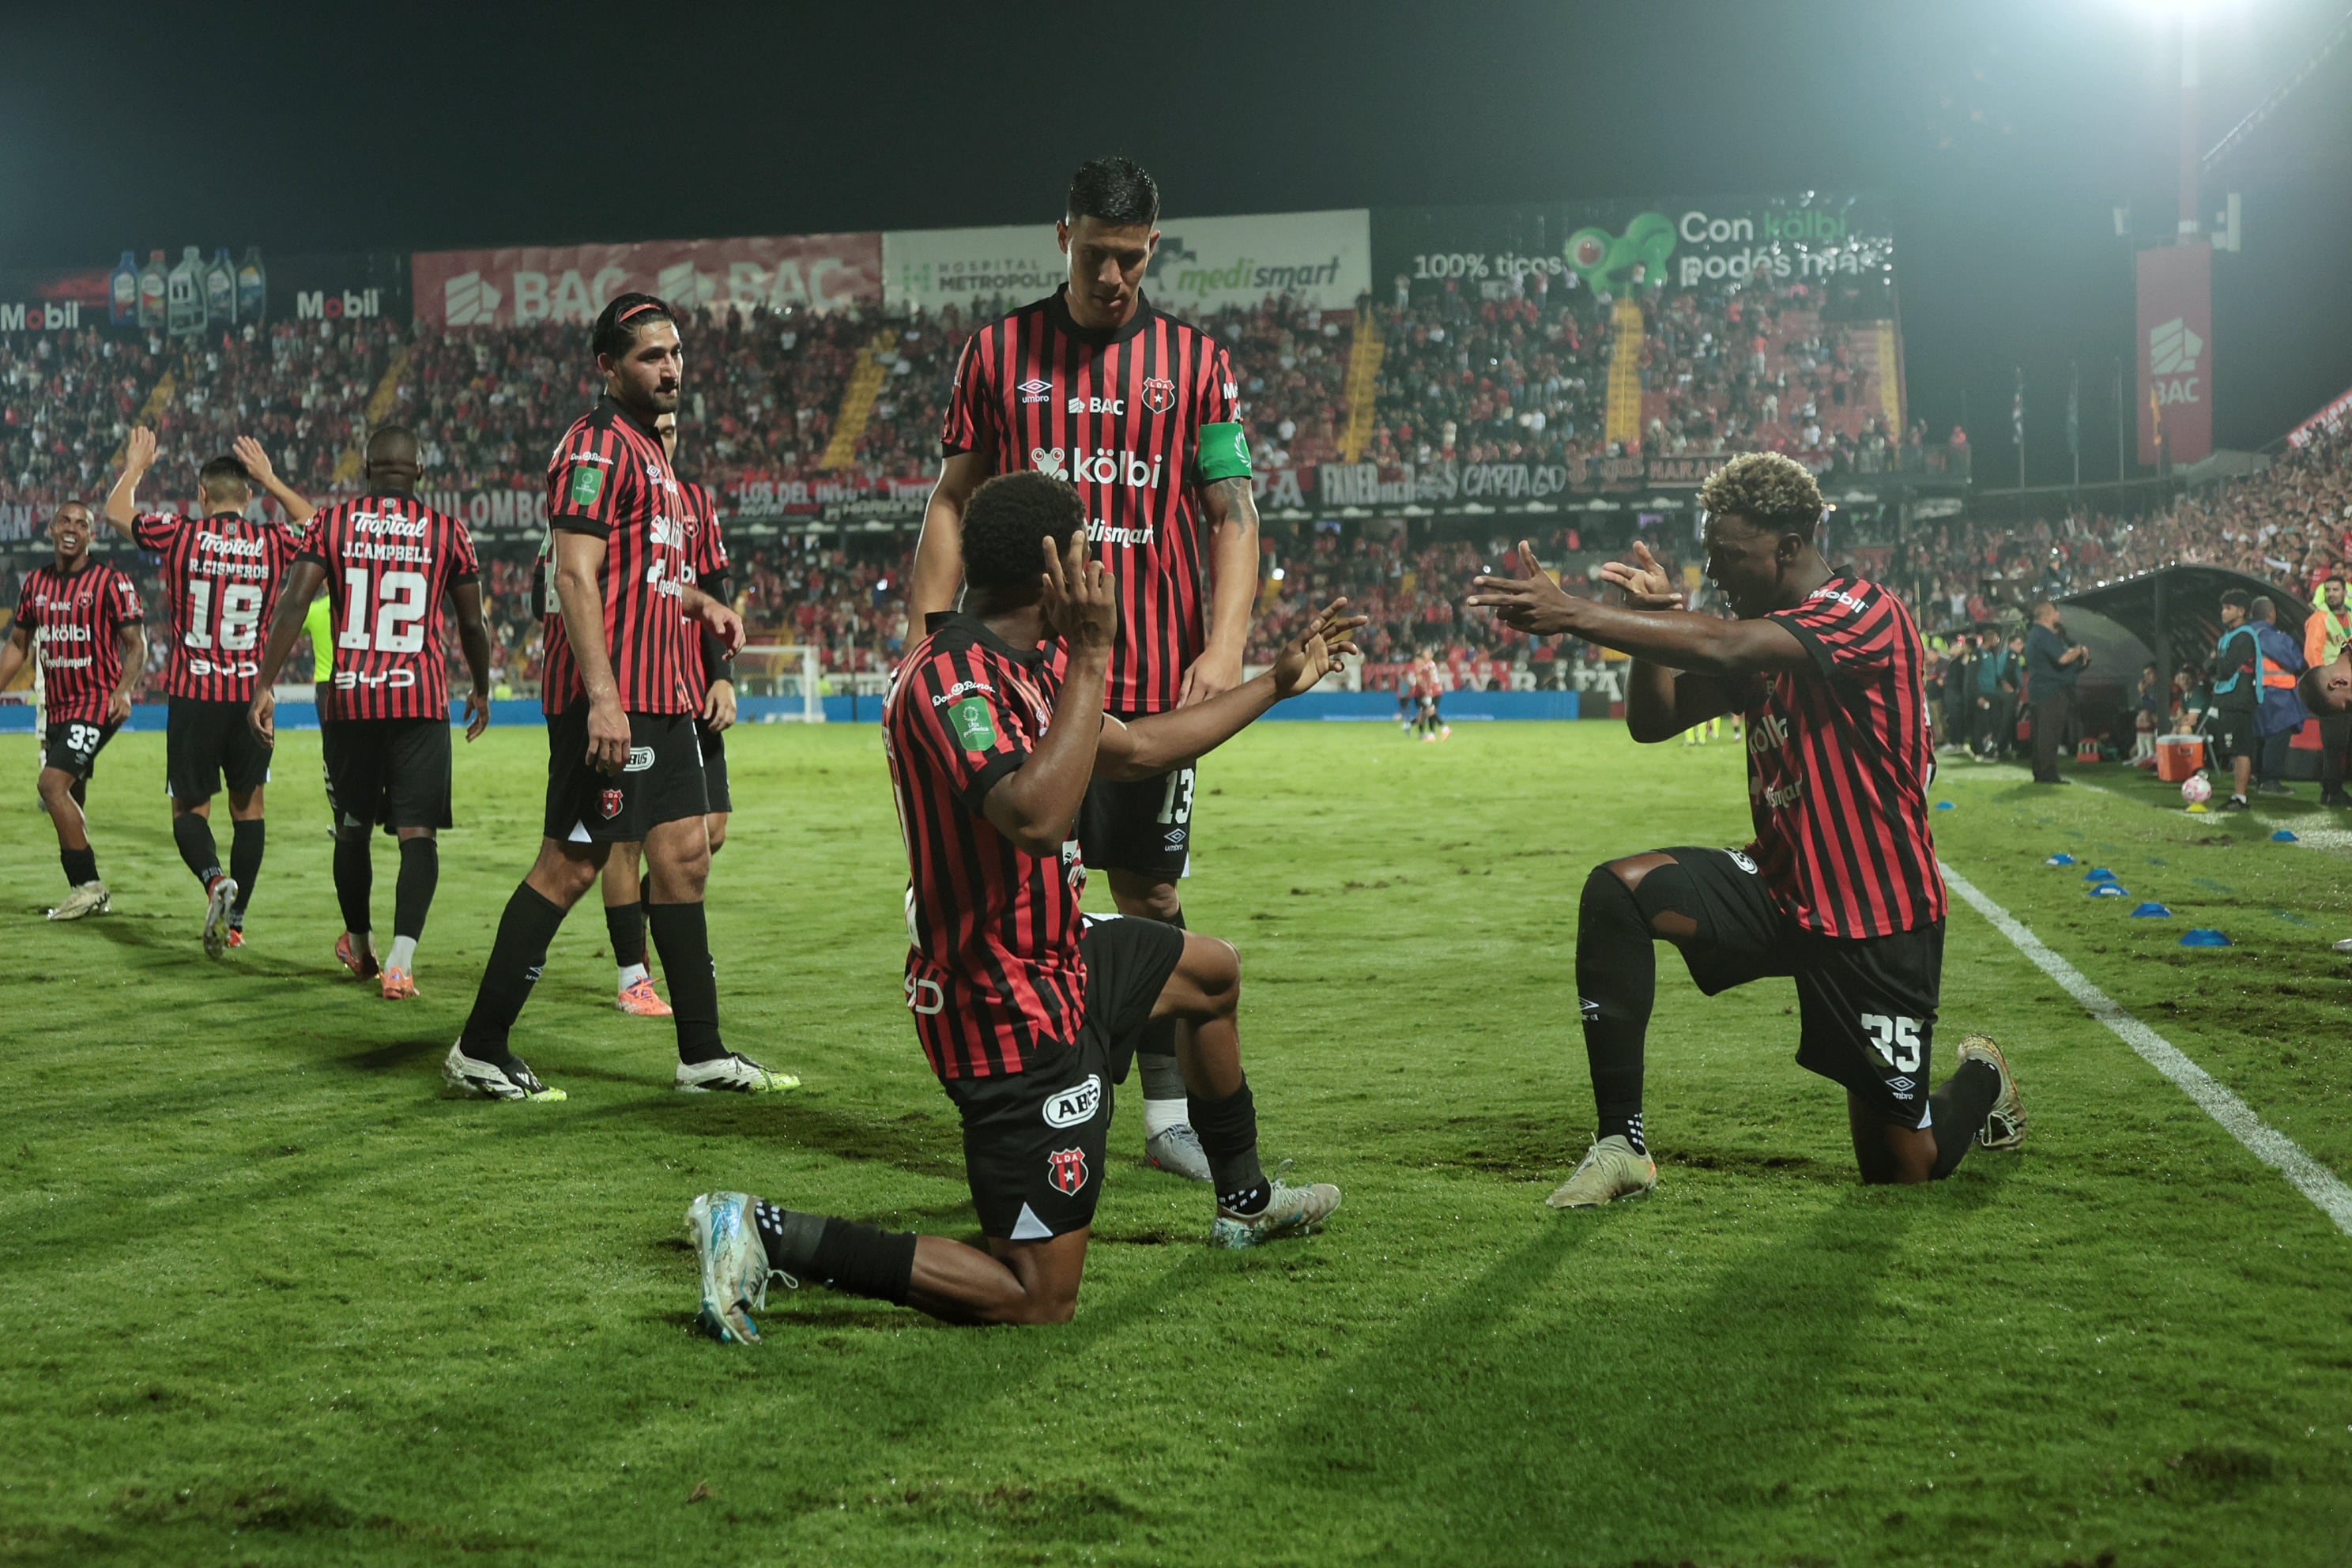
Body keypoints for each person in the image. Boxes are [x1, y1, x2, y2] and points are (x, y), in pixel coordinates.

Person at [684, 472, 1354, 1338]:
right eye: (1085, 554)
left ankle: (1246, 1202)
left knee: (1210, 976)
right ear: (1052, 573)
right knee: (1037, 1296)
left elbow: (1137, 748)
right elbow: (1033, 816)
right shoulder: (949, 679)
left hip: (1058, 949)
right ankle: (765, 1230)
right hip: (1000, 1001)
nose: (1097, 571)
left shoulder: (1030, 664)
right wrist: (1095, 653)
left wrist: (1274, 683)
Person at [1465, 454, 2025, 1206]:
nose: (1714, 571)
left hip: (1877, 917)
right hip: (1782, 888)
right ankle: (1622, 1145)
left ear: (1787, 548)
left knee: (1903, 1167)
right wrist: (1652, 631)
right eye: (1710, 553)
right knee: (1618, 893)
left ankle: (1983, 1078)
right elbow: (1654, 720)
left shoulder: (1864, 612)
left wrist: (1572, 613)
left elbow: (1725, 646)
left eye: (1728, 555)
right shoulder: (1761, 636)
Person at [903, 156, 1261, 1182]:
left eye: (1133, 259)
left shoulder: (1198, 363)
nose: (1114, 278)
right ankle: (1051, 1096)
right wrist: (930, 632)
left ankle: (1166, 1122)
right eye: (1098, 255)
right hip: (1025, 682)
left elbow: (1233, 510)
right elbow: (953, 495)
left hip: (1148, 681)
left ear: (1154, 246)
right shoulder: (996, 352)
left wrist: (1225, 646)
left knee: (1152, 898)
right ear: (1064, 237)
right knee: (1023, 903)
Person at [443, 293, 790, 1102]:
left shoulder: (653, 455)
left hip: (665, 698)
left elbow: (644, 577)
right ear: (609, 366)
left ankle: (702, 1054)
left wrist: (699, 604)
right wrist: (603, 697)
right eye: (650, 356)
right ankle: (479, 1049)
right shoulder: (596, 445)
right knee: (571, 864)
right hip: (613, 701)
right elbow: (575, 576)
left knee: (686, 858)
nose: (670, 368)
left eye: (675, 353)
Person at [247, 426, 493, 999]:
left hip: (351, 700)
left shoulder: (330, 524)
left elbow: (293, 604)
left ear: (366, 469)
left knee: (353, 830)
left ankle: (359, 948)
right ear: (420, 471)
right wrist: (481, 689)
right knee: (418, 834)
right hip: (419, 700)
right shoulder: (449, 531)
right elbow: (472, 623)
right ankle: (401, 964)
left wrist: (264, 685)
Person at [101, 430, 312, 955]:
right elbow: (319, 527)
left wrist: (136, 466)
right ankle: (235, 923)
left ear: (201, 495)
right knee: (250, 810)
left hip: (194, 694)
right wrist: (273, 480)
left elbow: (115, 512)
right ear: (249, 495)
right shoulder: (272, 541)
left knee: (189, 811)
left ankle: (215, 880)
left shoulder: (180, 535)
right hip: (251, 696)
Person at [594, 410, 737, 1018]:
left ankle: (654, 925)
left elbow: (714, 588)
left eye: (672, 430)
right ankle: (633, 973)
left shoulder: (696, 503)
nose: (664, 439)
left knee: (709, 832)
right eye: (656, 430)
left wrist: (723, 676)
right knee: (625, 839)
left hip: (691, 693)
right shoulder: (612, 494)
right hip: (635, 690)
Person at [0, 500, 145, 919]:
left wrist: (124, 690)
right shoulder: (35, 584)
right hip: (59, 707)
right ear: (51, 528)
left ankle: (89, 886)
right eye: (65, 520)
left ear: (91, 536)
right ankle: (87, 892)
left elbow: (136, 645)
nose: (72, 528)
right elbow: (18, 645)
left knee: (51, 786)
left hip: (98, 703)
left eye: (82, 524)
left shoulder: (110, 582)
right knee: (71, 794)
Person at [2248, 596, 2308, 796]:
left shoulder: (2244, 634)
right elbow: (2296, 662)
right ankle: (2270, 781)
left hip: (2252, 693)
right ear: (2271, 613)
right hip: (2277, 694)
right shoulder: (2274, 637)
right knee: (2278, 735)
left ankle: (2257, 777)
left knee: (2259, 737)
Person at [2208, 590, 2262, 810]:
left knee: (2241, 749)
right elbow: (2212, 666)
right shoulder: (2228, 636)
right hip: (2227, 699)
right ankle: (2237, 795)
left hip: (2239, 700)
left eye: (2228, 608)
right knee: (2235, 750)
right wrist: (2215, 663)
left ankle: (2241, 798)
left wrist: (2215, 661)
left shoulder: (2244, 637)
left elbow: (2225, 669)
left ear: (2241, 611)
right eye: (2223, 608)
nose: (2223, 612)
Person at [2023, 601, 2086, 785]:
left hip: (2040, 690)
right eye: (2055, 612)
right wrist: (2079, 650)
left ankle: (2040, 772)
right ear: (2047, 616)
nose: (2058, 615)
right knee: (2049, 734)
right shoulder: (2044, 634)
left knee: (2041, 734)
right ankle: (2048, 774)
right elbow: (2063, 658)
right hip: (2051, 691)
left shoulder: (2035, 634)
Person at [2303, 575, 2352, 806]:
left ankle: (2331, 790)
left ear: (2345, 592)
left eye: (2336, 589)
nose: (2332, 594)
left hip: (2347, 687)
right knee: (2334, 743)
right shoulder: (2319, 618)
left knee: (2341, 742)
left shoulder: (2349, 616)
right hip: (2333, 689)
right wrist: (2324, 686)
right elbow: (2312, 653)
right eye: (2328, 590)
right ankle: (2333, 790)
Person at [1412, 647, 1449, 741]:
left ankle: (1444, 729)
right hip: (1434, 690)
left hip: (1434, 691)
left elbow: (1429, 680)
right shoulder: (1430, 664)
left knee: (1429, 711)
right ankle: (1433, 734)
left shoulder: (1427, 666)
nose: (1424, 655)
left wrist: (1428, 691)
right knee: (1429, 712)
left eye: (1426, 654)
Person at [2132, 663, 2163, 764]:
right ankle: (2143, 753)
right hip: (2154, 718)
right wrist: (2143, 694)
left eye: (2150, 673)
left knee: (2146, 717)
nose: (2147, 678)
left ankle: (2151, 753)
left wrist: (2143, 694)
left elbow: (2157, 707)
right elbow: (2142, 706)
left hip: (2167, 717)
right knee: (2141, 717)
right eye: (2145, 675)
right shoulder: (2151, 688)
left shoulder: (2163, 686)